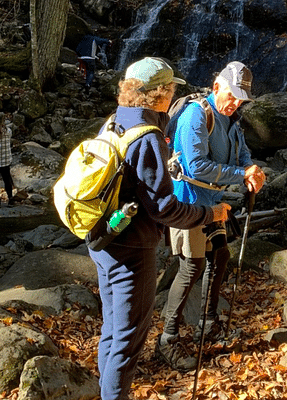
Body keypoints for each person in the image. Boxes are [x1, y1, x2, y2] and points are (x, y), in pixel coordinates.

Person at [87, 56, 232, 400]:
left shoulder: (113, 122)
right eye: (170, 89)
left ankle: (106, 392)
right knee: (128, 340)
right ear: (160, 94)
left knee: (112, 330)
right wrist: (208, 215)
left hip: (102, 239)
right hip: (132, 251)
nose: (172, 95)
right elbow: (164, 208)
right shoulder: (148, 136)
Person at [156, 61, 266, 371]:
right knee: (192, 266)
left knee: (220, 256)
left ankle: (207, 321)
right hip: (188, 202)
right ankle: (168, 339)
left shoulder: (232, 119)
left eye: (241, 99)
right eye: (232, 96)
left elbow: (241, 153)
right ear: (217, 87)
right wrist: (240, 173)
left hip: (213, 203)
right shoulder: (196, 115)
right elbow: (196, 167)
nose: (235, 103)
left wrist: (251, 170)